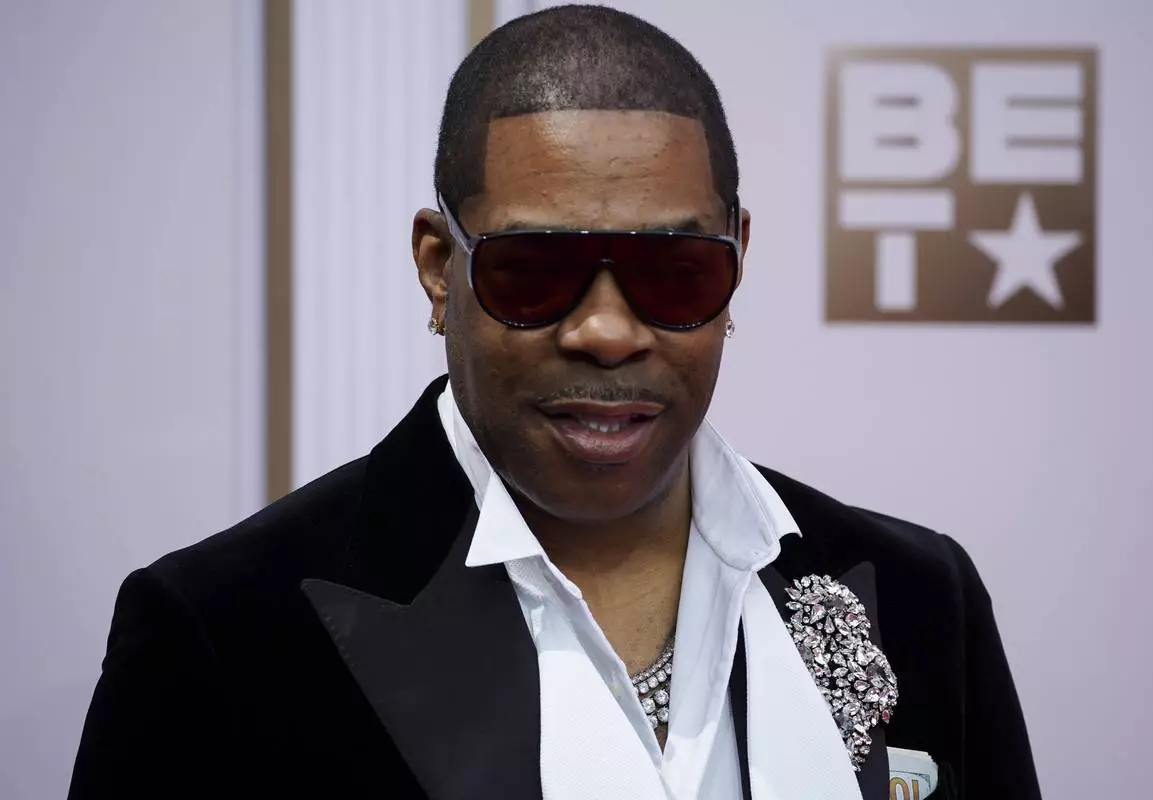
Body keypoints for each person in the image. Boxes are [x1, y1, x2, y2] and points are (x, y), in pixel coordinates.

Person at [68, 5, 1040, 799]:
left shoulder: (920, 594)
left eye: (675, 270)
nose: (607, 331)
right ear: (438, 266)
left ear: (738, 259)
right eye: (534, 270)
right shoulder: (222, 632)